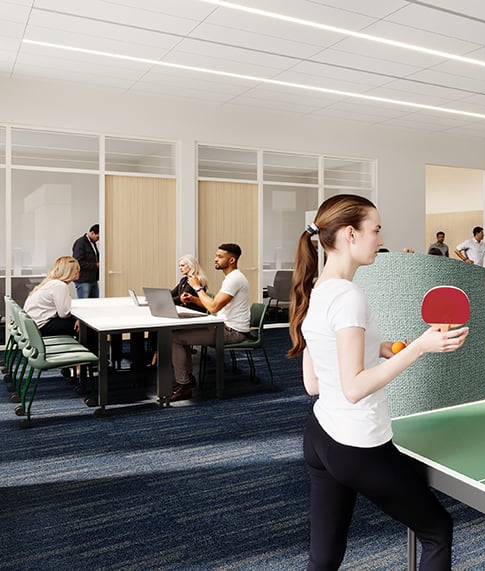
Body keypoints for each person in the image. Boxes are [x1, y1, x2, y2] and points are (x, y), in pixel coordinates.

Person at [288, 194, 468, 571]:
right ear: (351, 234)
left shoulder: (317, 290)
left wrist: (378, 348)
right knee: (437, 530)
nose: (380, 239)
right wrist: (420, 346)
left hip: (320, 436)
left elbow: (313, 382)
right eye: (376, 230)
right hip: (358, 445)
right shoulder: (350, 297)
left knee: (323, 558)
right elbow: (353, 387)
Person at [167, 243, 251, 402]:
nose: (215, 259)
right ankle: (187, 378)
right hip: (223, 325)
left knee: (175, 337)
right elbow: (213, 303)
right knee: (178, 334)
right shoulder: (231, 278)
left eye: (220, 257)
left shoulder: (234, 279)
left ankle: (184, 386)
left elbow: (213, 307)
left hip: (233, 332)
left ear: (232, 260)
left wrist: (198, 288)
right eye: (216, 255)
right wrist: (193, 299)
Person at [23, 256, 80, 337]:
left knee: (78, 324)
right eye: (77, 269)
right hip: (41, 326)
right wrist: (78, 321)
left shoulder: (51, 282)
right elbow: (64, 314)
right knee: (83, 328)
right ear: (69, 272)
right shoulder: (60, 285)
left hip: (33, 325)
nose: (79, 271)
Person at [71, 224, 100, 298]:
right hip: (83, 280)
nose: (98, 239)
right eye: (97, 237)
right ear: (92, 233)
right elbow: (78, 262)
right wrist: (95, 265)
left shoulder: (93, 243)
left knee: (95, 304)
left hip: (93, 279)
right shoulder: (80, 243)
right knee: (84, 304)